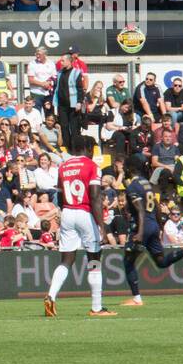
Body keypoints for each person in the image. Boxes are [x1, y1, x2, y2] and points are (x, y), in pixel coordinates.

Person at [121, 154, 183, 306]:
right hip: (153, 226)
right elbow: (156, 206)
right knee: (161, 262)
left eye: (125, 166)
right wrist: (158, 226)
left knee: (128, 262)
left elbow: (140, 211)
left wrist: (140, 232)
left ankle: (137, 298)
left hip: (141, 227)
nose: (123, 169)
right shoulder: (147, 184)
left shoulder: (133, 186)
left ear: (131, 168)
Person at [43, 135, 113, 317]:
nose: (93, 153)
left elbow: (58, 193)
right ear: (87, 147)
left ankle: (51, 296)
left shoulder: (63, 166)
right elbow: (96, 197)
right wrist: (102, 227)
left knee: (66, 260)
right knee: (94, 261)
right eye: (93, 149)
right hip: (85, 213)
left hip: (67, 212)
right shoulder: (91, 166)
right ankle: (96, 307)